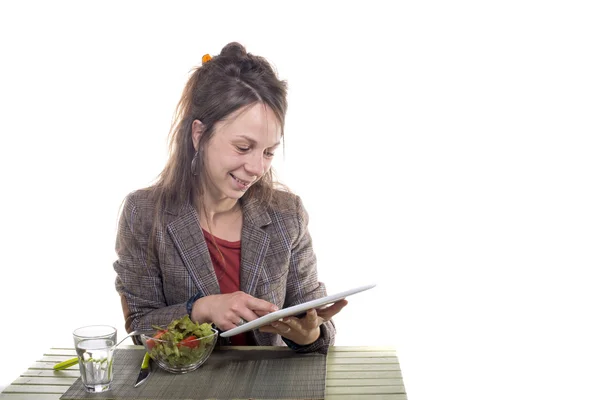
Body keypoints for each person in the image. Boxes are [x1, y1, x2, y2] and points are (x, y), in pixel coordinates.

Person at [113, 42, 347, 354]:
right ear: (199, 135)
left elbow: (315, 316)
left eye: (268, 152)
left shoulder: (286, 214)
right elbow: (141, 327)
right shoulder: (143, 214)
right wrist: (202, 308)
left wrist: (309, 335)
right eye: (242, 147)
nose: (256, 168)